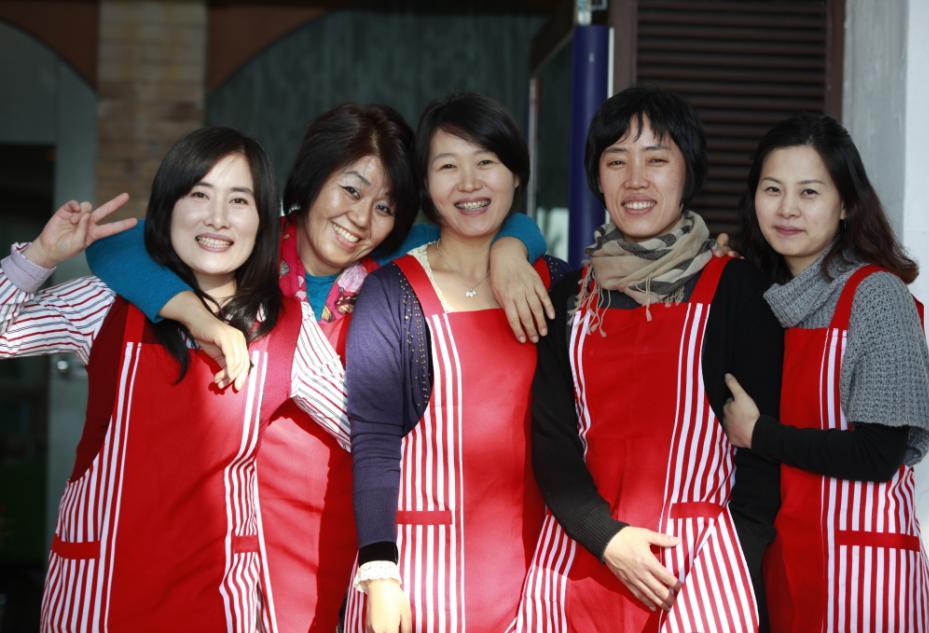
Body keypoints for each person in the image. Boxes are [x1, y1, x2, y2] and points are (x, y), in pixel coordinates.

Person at [84, 104, 551, 632]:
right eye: (350, 190)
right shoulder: (248, 242)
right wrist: (195, 314)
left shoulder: (397, 261)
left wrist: (510, 251)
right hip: (245, 527)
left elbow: (493, 220)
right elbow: (117, 244)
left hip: (362, 518)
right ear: (312, 178)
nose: (361, 219)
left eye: (385, 206)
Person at [0, 127, 350, 631]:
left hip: (218, 598)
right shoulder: (106, 303)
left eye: (239, 200)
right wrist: (40, 256)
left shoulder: (286, 328)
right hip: (96, 591)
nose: (217, 217)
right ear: (167, 209)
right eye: (199, 195)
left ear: (262, 221)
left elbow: (372, 433)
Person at [513, 86, 783, 632]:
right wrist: (606, 538)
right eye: (617, 161)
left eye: (656, 159)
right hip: (581, 562)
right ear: (598, 177)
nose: (635, 179)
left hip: (700, 570)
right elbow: (551, 441)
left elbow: (764, 459)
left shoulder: (739, 290)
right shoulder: (569, 298)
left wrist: (731, 570)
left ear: (689, 171)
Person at [342, 92, 570, 633]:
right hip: (419, 577)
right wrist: (379, 572)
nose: (469, 183)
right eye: (448, 166)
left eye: (485, 162)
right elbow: (373, 439)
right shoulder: (391, 292)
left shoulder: (562, 285)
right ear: (425, 184)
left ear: (516, 174)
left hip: (542, 573)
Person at [725, 113, 929, 632]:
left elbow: (877, 454)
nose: (787, 208)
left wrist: (758, 433)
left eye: (809, 192)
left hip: (865, 579)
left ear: (845, 204)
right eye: (772, 189)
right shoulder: (769, 300)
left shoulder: (876, 295)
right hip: (791, 560)